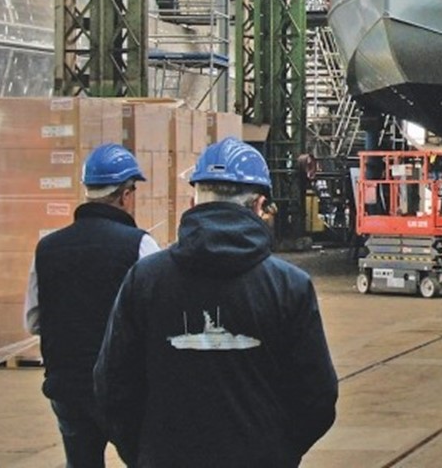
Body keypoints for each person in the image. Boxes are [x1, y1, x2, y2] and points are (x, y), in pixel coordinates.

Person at [94, 137, 338, 467]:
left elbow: (112, 385)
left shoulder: (146, 280)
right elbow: (317, 397)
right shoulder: (288, 287)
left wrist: (145, 452)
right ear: (258, 205)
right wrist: (277, 450)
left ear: (194, 200)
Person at [24, 143, 156, 468]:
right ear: (126, 194)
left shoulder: (47, 248)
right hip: (125, 388)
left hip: (66, 387)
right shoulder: (140, 244)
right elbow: (158, 316)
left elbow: (33, 321)